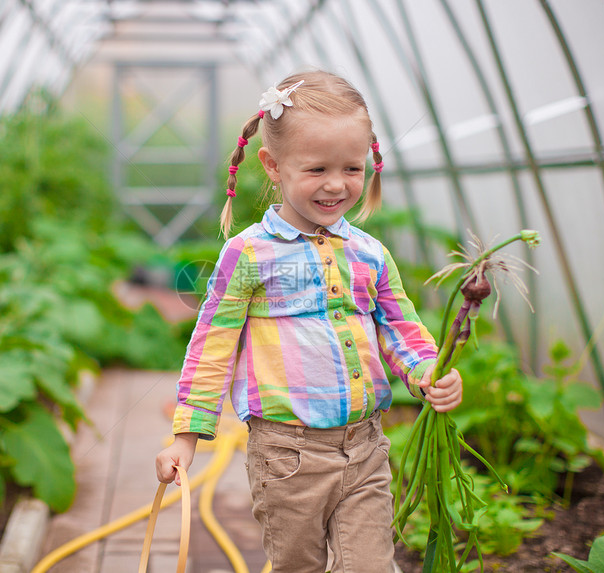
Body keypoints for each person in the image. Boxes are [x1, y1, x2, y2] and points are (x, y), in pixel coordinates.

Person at [155, 70, 462, 573]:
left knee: (370, 566)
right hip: (286, 455)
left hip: (365, 448)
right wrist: (185, 437)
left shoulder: (370, 253)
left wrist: (427, 371)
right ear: (273, 165)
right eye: (317, 168)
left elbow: (400, 327)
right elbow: (212, 346)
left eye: (352, 168)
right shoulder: (248, 253)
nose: (337, 184)